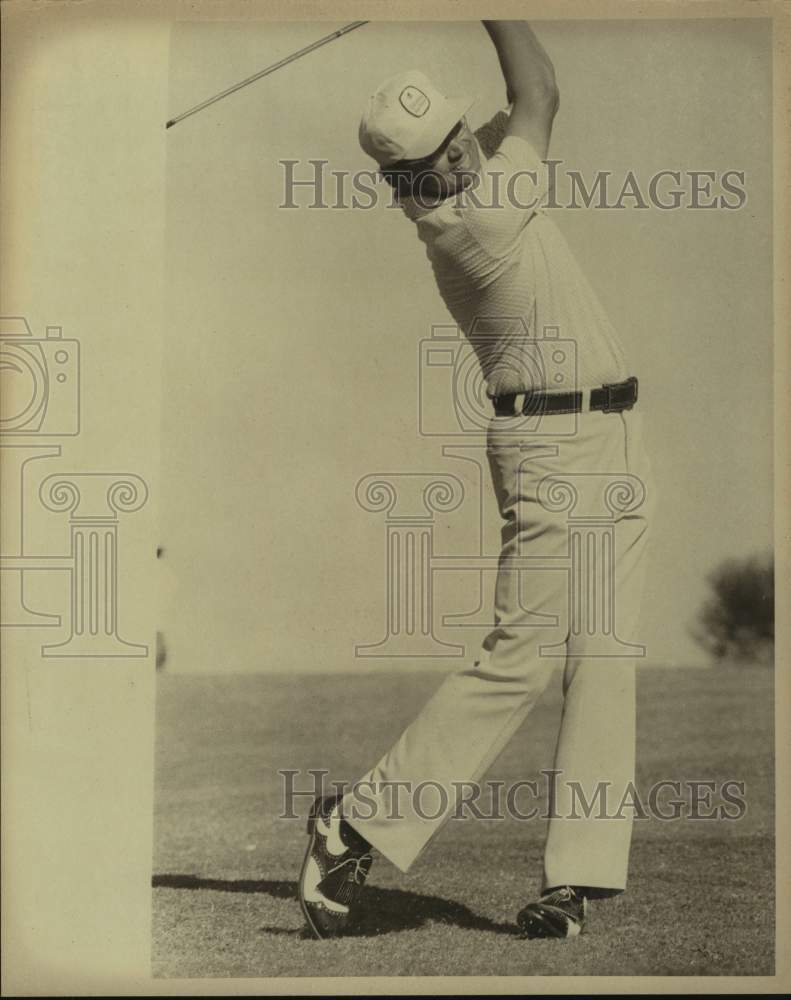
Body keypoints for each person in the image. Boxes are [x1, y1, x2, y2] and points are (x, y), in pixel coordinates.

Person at [298, 20, 654, 941]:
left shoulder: (468, 177)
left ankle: (572, 883)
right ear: (407, 185)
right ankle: (352, 825)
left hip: (613, 434)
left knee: (605, 655)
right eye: (435, 159)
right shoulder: (474, 218)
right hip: (550, 447)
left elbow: (509, 112)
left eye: (457, 139)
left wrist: (470, 121)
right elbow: (539, 90)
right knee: (520, 657)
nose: (458, 157)